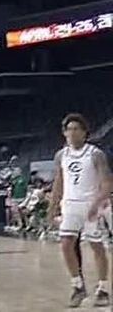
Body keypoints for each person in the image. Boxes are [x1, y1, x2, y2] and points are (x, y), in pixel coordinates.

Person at [48, 113, 112, 308]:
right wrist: (52, 206)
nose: (72, 132)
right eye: (69, 129)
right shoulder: (61, 155)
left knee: (96, 246)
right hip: (70, 205)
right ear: (64, 133)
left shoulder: (95, 154)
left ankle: (103, 288)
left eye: (76, 129)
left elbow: (107, 183)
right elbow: (58, 183)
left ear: (85, 132)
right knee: (66, 244)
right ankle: (77, 285)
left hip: (91, 203)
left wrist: (97, 204)